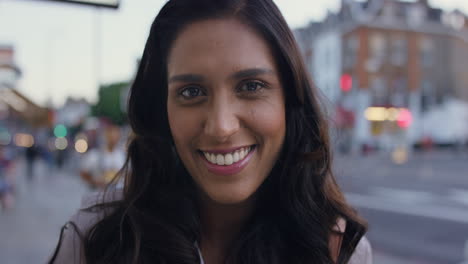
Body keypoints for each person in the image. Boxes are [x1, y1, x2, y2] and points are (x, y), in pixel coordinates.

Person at [49, 0, 371, 263]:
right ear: (161, 111)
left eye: (251, 86)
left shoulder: (339, 252)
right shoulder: (96, 242)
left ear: (289, 100)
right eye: (191, 92)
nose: (221, 127)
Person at [79, 122, 126, 189]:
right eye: (110, 135)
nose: (113, 138)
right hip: (99, 193)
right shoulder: (94, 154)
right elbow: (83, 173)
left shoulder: (121, 155)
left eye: (115, 135)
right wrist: (94, 181)